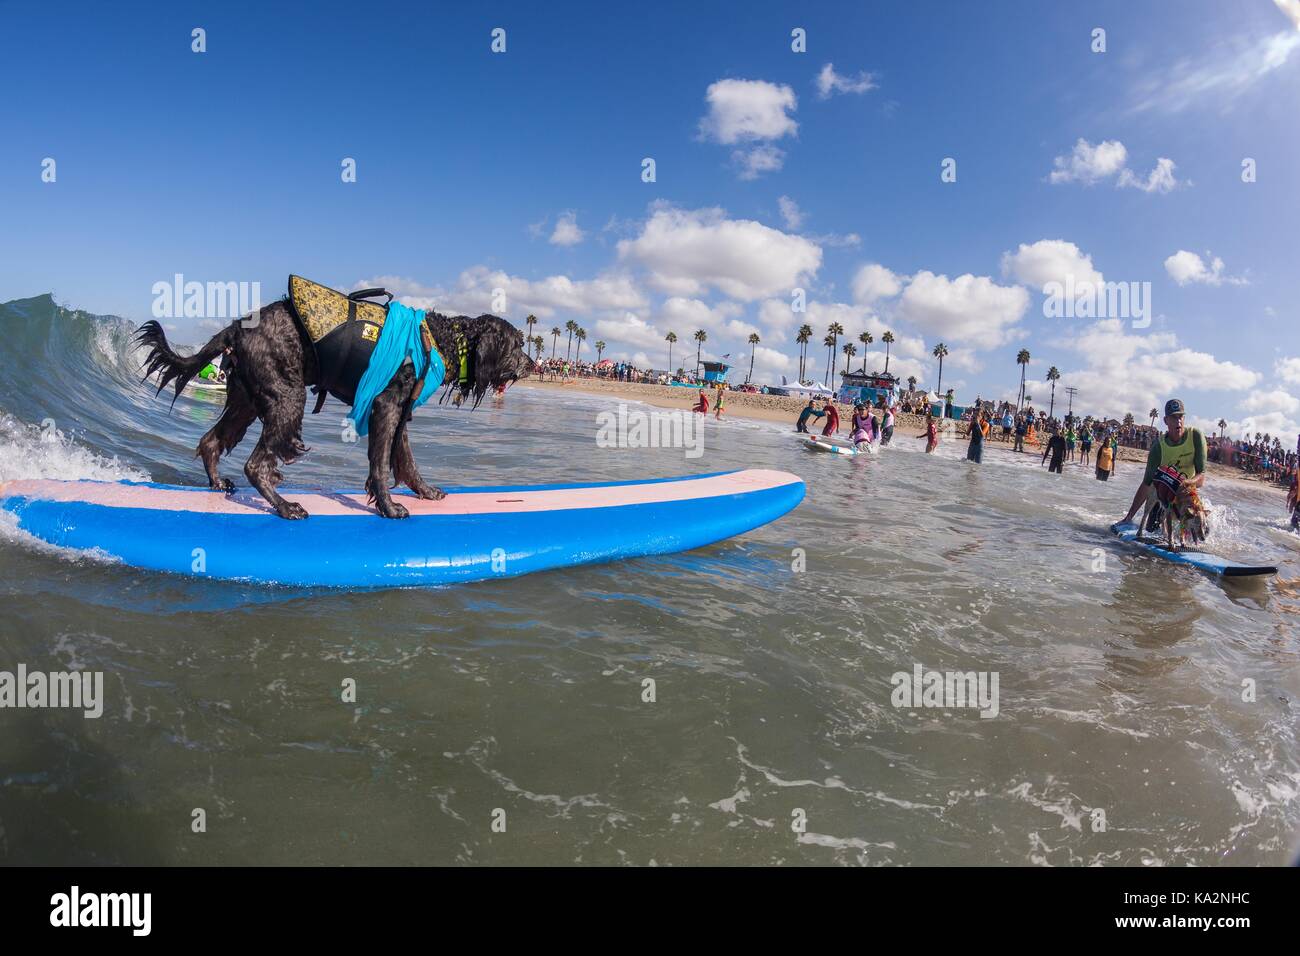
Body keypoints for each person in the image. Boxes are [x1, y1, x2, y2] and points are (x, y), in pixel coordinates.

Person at [1116, 398, 1207, 533]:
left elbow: (1201, 478)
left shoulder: (1195, 437)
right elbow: (1147, 484)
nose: (1178, 421)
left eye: (1181, 416)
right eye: (1174, 417)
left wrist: (1186, 483)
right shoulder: (1158, 447)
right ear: (1166, 421)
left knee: (1202, 528)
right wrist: (1129, 516)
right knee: (1151, 530)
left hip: (1185, 496)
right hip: (1164, 498)